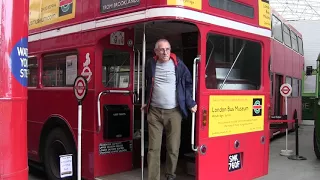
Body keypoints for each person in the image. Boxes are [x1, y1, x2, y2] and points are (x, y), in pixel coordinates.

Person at [142, 39, 197, 180]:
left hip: (174, 112)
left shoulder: (178, 65)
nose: (165, 52)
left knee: (173, 148)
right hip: (154, 112)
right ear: (156, 52)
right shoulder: (150, 64)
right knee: (153, 149)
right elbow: (148, 83)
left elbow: (188, 82)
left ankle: (170, 175)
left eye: (167, 49)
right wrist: (146, 103)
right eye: (161, 49)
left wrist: (190, 102)